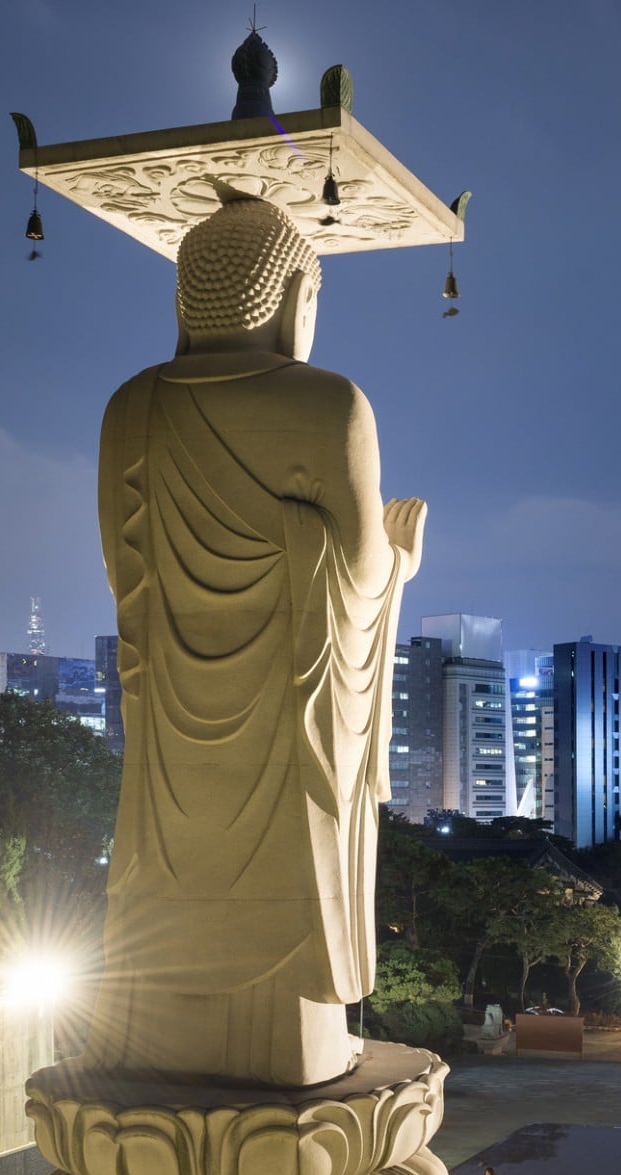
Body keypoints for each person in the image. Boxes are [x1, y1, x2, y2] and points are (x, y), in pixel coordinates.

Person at [84, 193, 425, 1087]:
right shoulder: (330, 405)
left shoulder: (129, 408)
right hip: (285, 738)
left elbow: (129, 581)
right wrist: (402, 564)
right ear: (288, 301)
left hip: (167, 758)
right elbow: (355, 568)